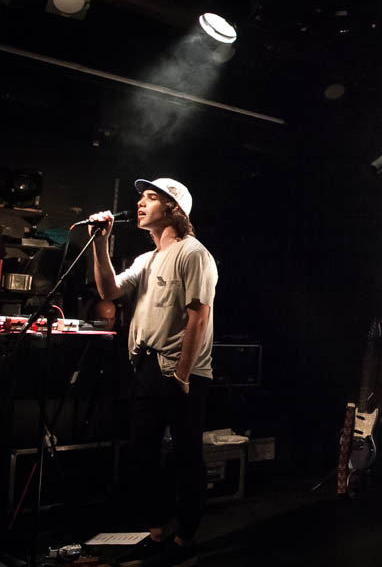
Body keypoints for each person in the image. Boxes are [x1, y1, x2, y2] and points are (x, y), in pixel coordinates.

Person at [89, 178, 218, 565]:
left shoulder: (193, 253)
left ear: (173, 209)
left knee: (186, 456)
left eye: (151, 197)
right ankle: (158, 530)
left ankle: (185, 537)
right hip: (146, 366)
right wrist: (99, 244)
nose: (141, 203)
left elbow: (198, 317)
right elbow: (109, 291)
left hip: (183, 371)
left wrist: (181, 376)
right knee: (141, 453)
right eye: (141, 197)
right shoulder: (146, 260)